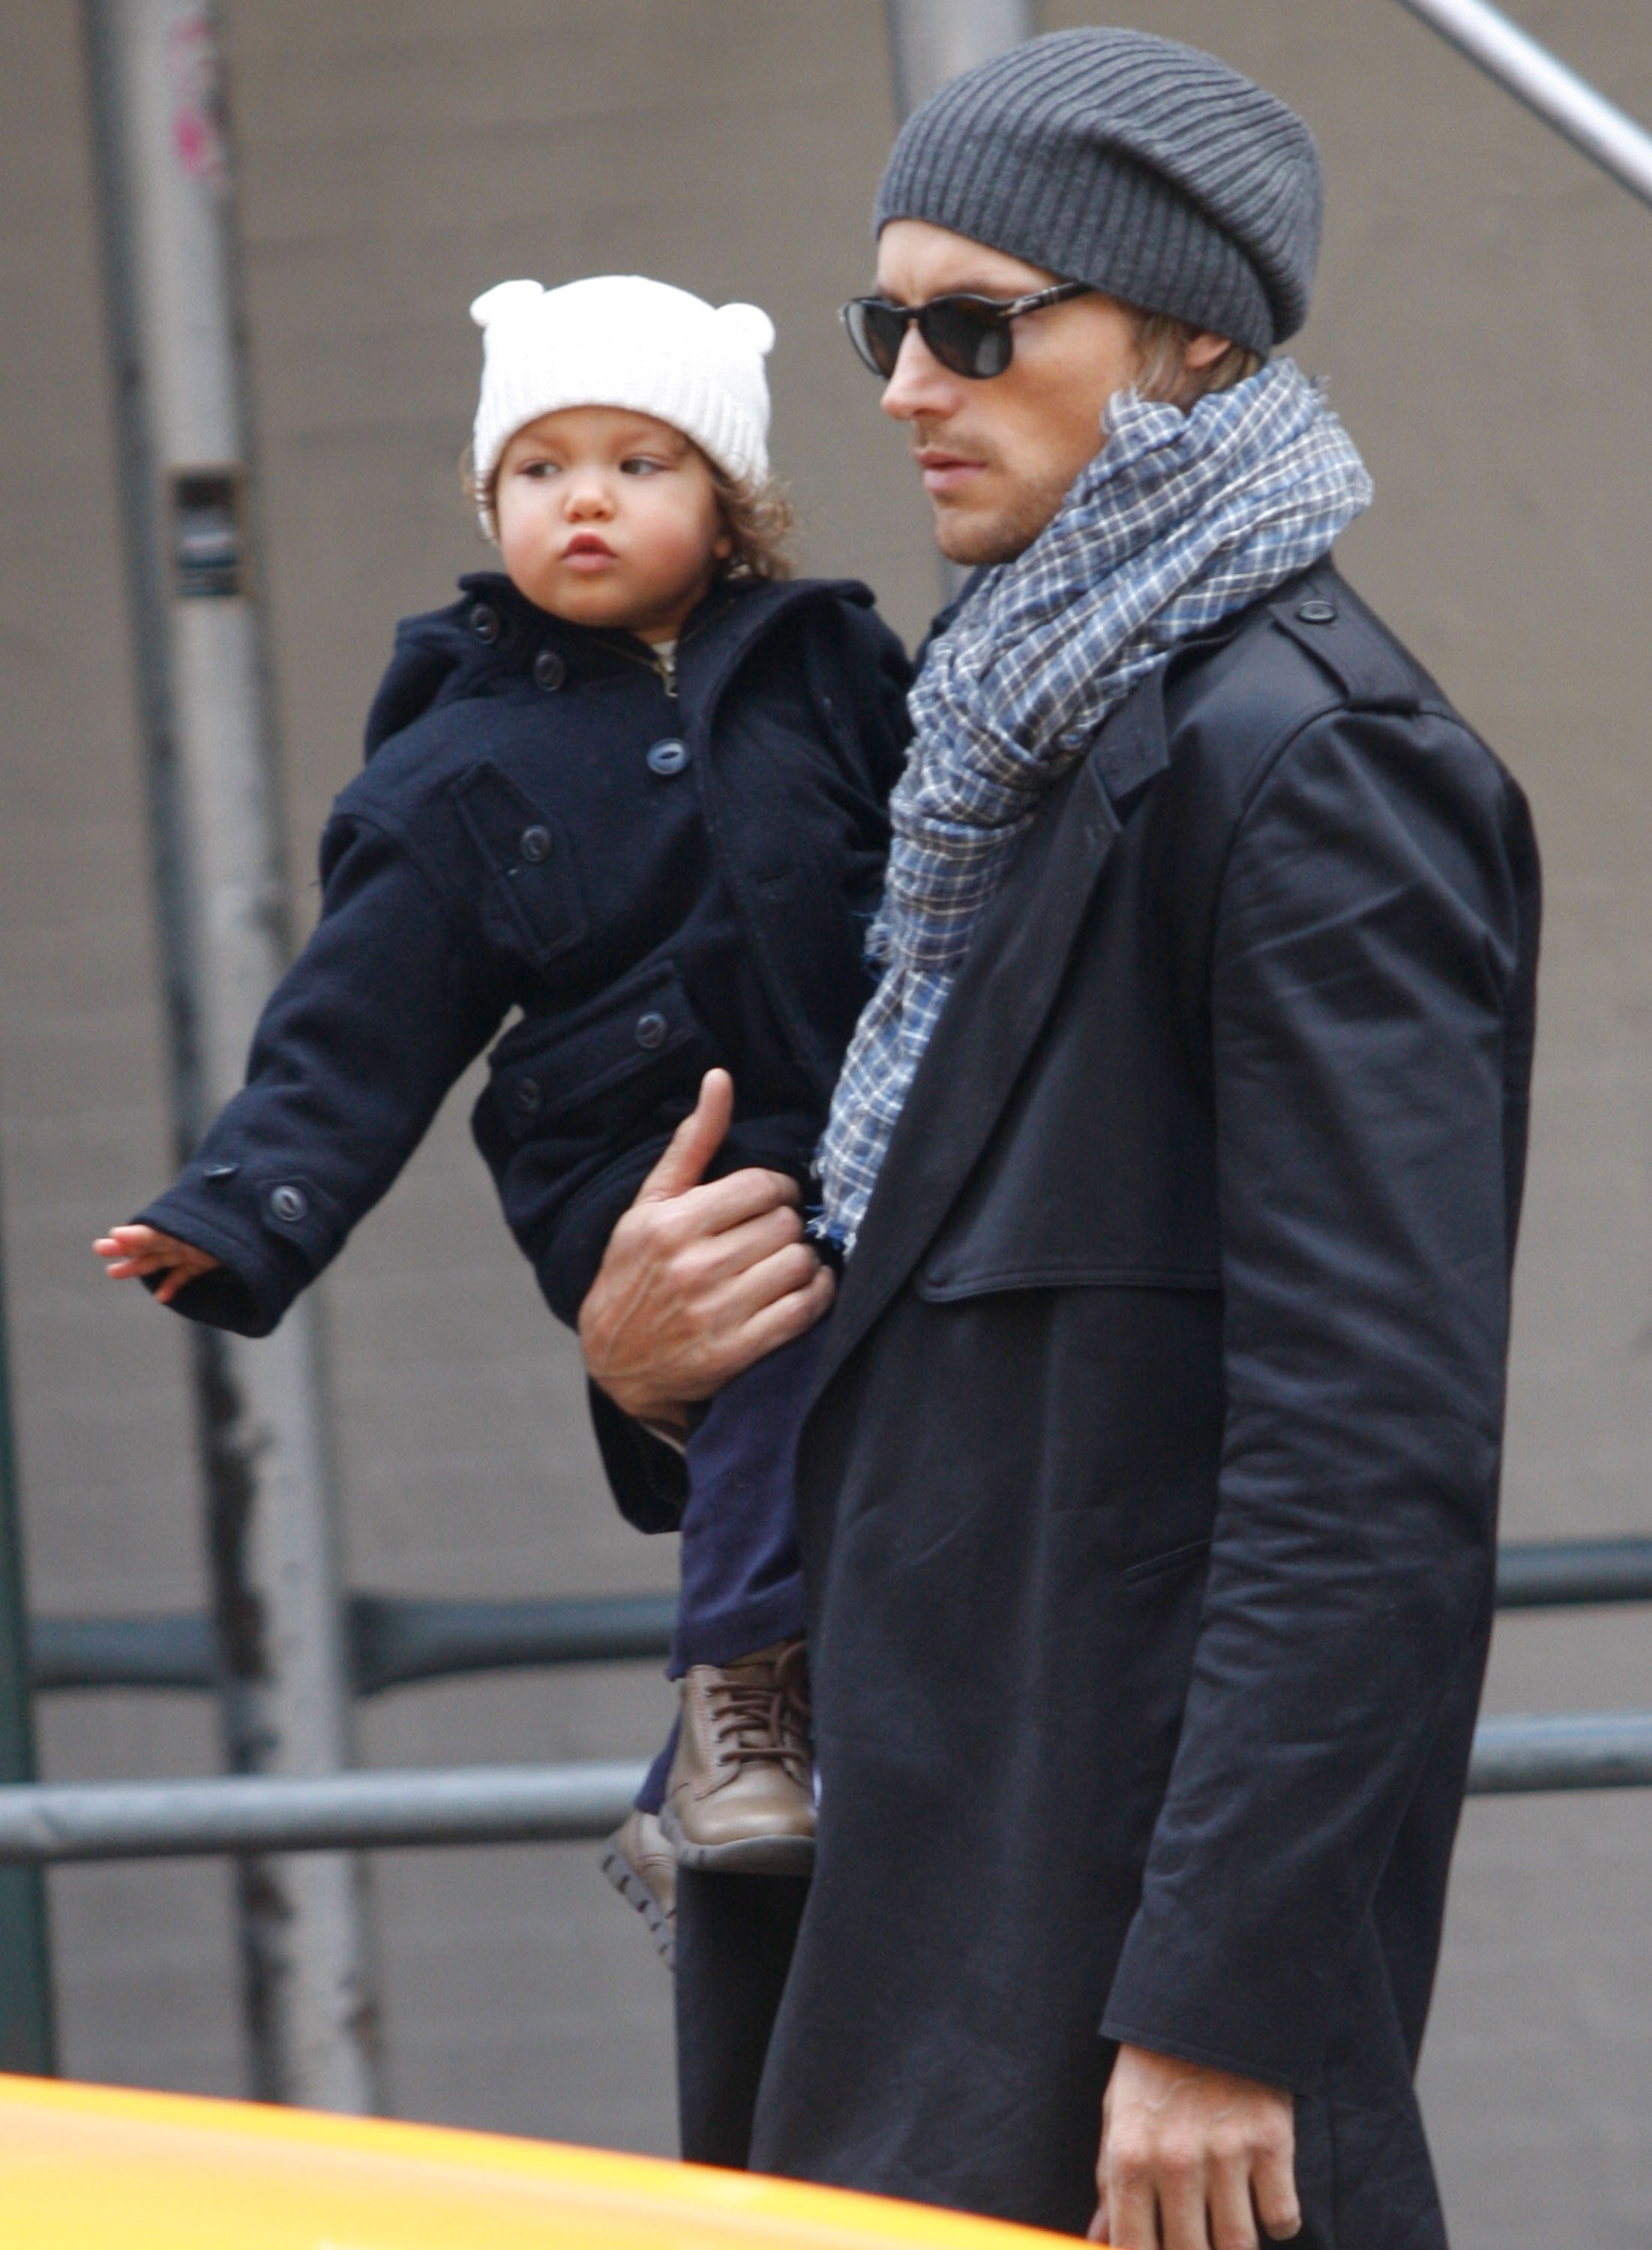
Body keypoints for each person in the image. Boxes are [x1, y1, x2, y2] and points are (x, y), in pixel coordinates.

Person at [575, 29, 1540, 2250]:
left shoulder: (1308, 769)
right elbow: (927, 1356)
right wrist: (651, 1367)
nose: (908, 381)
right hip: (908, 1927)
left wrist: (1220, 2012)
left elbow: (1365, 1457)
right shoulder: (997, 744)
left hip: (1108, 2017)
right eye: (881, 322)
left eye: (977, 323)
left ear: (1190, 335)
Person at [93, 272, 913, 1961]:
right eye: (540, 468)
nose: (586, 497)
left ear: (733, 506)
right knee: (763, 1339)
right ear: (491, 503)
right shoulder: (451, 765)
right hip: (631, 1146)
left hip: (847, 1112)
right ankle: (735, 1706)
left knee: (891, 1395)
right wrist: (239, 1212)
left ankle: (759, 1755)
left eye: (639, 461)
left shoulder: (834, 666)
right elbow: (354, 1030)